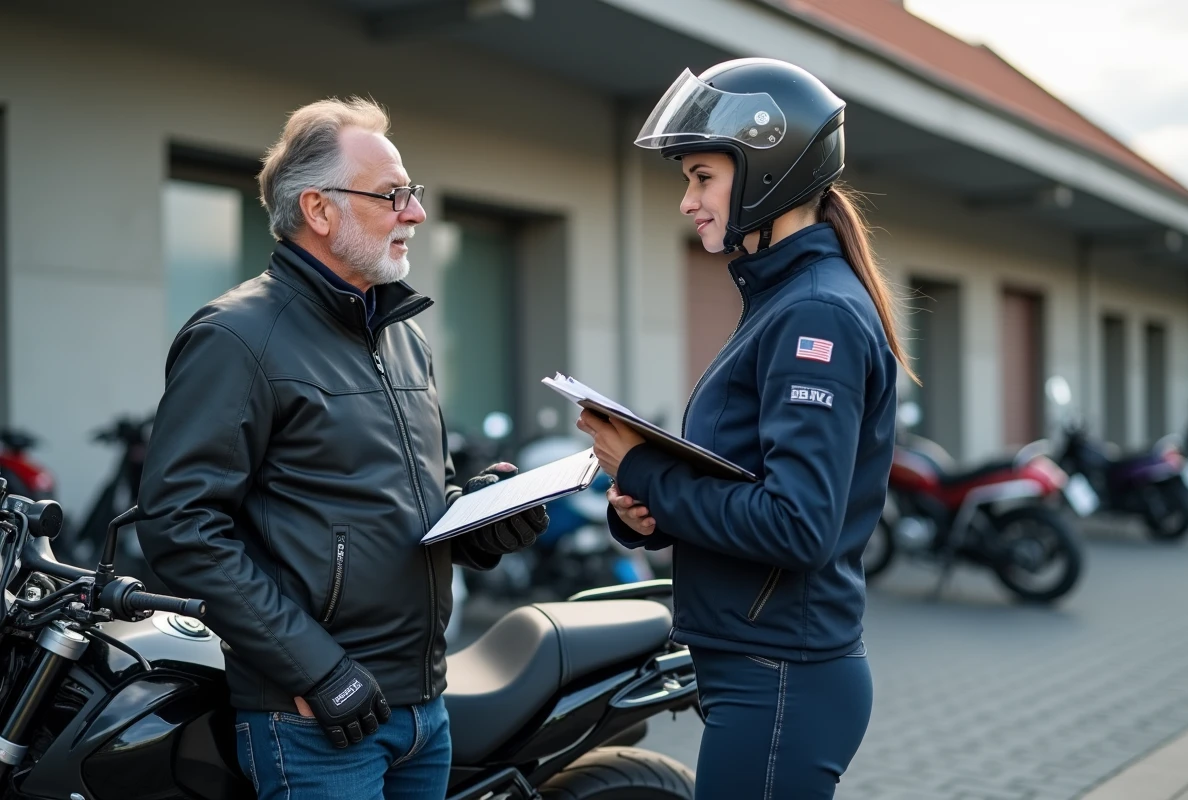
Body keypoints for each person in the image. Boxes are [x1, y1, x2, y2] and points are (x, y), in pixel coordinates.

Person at [136, 96, 548, 800]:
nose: (415, 214)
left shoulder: (402, 336)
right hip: (314, 721)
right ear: (320, 211)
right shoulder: (236, 337)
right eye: (393, 196)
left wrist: (480, 519)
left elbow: (417, 503)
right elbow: (180, 526)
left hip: (423, 708)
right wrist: (316, 669)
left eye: (411, 194)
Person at [576, 58, 918, 799]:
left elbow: (797, 524)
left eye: (702, 176)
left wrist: (643, 472)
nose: (688, 201)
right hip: (764, 668)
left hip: (782, 677)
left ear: (769, 169)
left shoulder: (814, 313)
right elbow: (746, 480)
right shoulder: (782, 298)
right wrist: (645, 508)